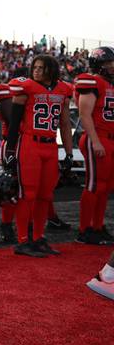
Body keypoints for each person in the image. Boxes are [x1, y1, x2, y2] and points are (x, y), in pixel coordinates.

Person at [5, 55, 74, 257]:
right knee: (28, 194)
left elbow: (65, 124)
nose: (36, 71)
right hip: (29, 144)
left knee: (45, 195)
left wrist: (69, 153)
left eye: (41, 68)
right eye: (34, 67)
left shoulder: (63, 90)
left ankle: (38, 237)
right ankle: (23, 241)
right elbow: (14, 123)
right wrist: (10, 150)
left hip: (51, 145)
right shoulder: (25, 87)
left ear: (51, 69)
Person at [74, 46, 114, 245]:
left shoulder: (109, 84)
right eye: (108, 63)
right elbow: (84, 114)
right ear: (98, 64)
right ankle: (84, 229)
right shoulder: (91, 81)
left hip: (110, 138)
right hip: (97, 137)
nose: (112, 66)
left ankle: (97, 226)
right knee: (94, 185)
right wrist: (96, 141)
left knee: (106, 187)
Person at [0, 79, 17, 243]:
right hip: (13, 142)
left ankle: (31, 225)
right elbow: (11, 119)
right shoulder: (7, 91)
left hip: (30, 142)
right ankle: (6, 226)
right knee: (9, 186)